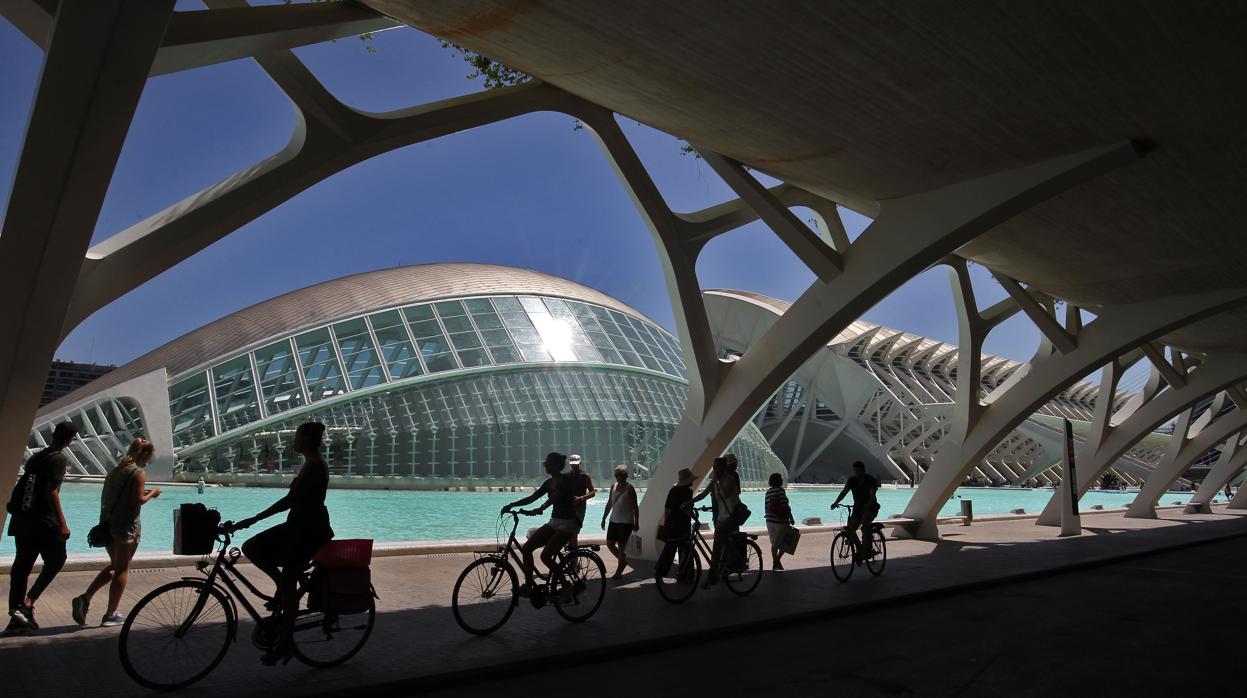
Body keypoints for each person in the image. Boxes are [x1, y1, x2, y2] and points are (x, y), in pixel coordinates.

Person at [232, 422, 334, 665]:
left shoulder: (314, 466)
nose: (293, 442)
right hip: (299, 527)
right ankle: (282, 585)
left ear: (308, 440)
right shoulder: (312, 463)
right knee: (253, 548)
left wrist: (254, 519)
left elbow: (290, 500)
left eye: (298, 438)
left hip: (308, 530)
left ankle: (286, 642)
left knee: (286, 579)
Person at [72, 438, 160, 628]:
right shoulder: (138, 472)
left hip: (108, 525)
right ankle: (111, 614)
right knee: (122, 569)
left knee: (115, 565)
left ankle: (85, 598)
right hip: (127, 528)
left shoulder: (115, 471)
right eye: (149, 456)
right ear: (143, 454)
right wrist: (153, 493)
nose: (148, 460)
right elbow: (138, 500)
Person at [6, 421, 77, 634]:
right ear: (70, 440)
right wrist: (63, 524)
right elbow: (51, 491)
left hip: (22, 520)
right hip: (43, 522)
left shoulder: (37, 457)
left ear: (54, 434)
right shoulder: (58, 459)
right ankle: (27, 603)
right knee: (56, 559)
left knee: (21, 567)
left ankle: (16, 619)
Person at [501, 452, 577, 595]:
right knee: (527, 548)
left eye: (548, 463)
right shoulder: (548, 483)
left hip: (568, 524)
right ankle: (529, 585)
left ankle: (566, 586)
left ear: (555, 465)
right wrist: (512, 505)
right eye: (545, 463)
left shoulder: (564, 480)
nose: (545, 465)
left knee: (545, 556)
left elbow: (555, 497)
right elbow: (533, 497)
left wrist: (540, 509)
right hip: (555, 522)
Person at [692, 455, 742, 588]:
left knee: (716, 546)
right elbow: (704, 494)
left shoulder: (730, 479)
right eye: (713, 467)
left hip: (731, 517)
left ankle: (712, 576)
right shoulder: (716, 481)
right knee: (721, 542)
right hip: (722, 517)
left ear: (723, 468)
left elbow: (725, 494)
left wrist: (718, 481)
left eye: (717, 467)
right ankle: (725, 564)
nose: (714, 469)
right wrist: (690, 502)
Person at [832, 461, 880, 563]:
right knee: (850, 529)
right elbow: (844, 492)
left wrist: (867, 505)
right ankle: (860, 549)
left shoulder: (870, 480)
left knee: (865, 524)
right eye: (855, 471)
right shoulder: (852, 480)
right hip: (858, 509)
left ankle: (867, 550)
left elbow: (872, 495)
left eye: (858, 471)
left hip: (871, 508)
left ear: (863, 470)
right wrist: (836, 502)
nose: (856, 473)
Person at [654, 468, 696, 578]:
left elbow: (667, 508)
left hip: (672, 524)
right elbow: (688, 509)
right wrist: (695, 519)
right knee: (686, 550)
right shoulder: (688, 492)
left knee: (669, 550)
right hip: (683, 525)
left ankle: (660, 573)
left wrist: (667, 522)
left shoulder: (673, 490)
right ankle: (685, 575)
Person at [600, 464, 638, 579]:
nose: (618, 477)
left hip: (626, 522)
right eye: (616, 475)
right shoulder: (613, 486)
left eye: (620, 475)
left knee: (621, 547)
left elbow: (635, 507)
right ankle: (623, 561)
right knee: (610, 544)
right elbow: (609, 503)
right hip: (614, 520)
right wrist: (604, 518)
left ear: (625, 475)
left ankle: (619, 571)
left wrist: (637, 522)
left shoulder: (630, 489)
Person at [765, 473, 794, 570]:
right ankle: (776, 561)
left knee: (774, 544)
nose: (782, 480)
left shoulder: (768, 492)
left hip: (769, 521)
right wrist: (791, 518)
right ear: (777, 481)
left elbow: (766, 507)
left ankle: (776, 562)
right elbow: (785, 506)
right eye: (780, 478)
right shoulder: (781, 491)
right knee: (786, 542)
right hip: (780, 521)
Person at [566, 454, 595, 547]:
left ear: (580, 463)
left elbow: (592, 492)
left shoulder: (585, 476)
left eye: (576, 464)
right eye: (572, 464)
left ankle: (574, 558)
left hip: (579, 508)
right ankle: (569, 556)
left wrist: (581, 498)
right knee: (565, 532)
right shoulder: (567, 476)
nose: (574, 466)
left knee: (574, 533)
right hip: (568, 507)